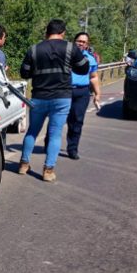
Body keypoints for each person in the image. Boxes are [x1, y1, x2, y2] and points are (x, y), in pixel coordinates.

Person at [18, 19, 89, 182]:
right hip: (62, 98)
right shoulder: (71, 48)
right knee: (55, 134)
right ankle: (48, 171)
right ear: (63, 32)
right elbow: (83, 68)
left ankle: (23, 164)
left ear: (47, 32)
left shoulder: (34, 49)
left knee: (32, 131)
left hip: (39, 97)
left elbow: (24, 73)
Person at [66, 32, 100, 160]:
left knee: (77, 121)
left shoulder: (90, 59)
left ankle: (72, 149)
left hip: (82, 93)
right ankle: (50, 143)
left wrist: (97, 94)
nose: (81, 43)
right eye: (79, 41)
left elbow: (94, 77)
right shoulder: (66, 56)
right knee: (58, 119)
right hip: (65, 91)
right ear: (74, 41)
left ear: (87, 45)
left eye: (84, 42)